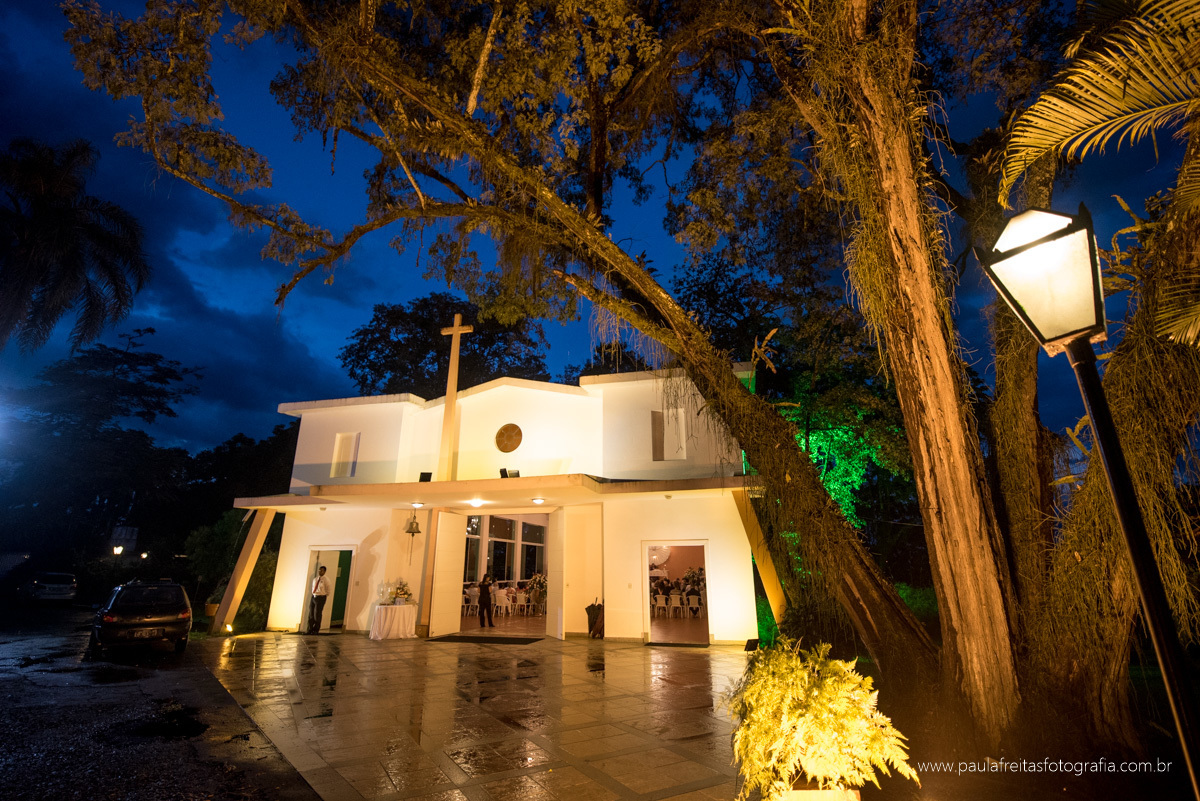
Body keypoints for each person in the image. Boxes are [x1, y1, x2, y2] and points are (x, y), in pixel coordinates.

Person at [308, 566, 329, 634]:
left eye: (322, 570)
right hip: (314, 596)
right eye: (319, 570)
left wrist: (323, 595)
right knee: (311, 613)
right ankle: (310, 629)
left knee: (317, 614)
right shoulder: (315, 579)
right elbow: (313, 587)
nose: (320, 572)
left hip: (321, 597)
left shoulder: (326, 580)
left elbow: (328, 590)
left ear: (324, 571)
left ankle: (316, 629)